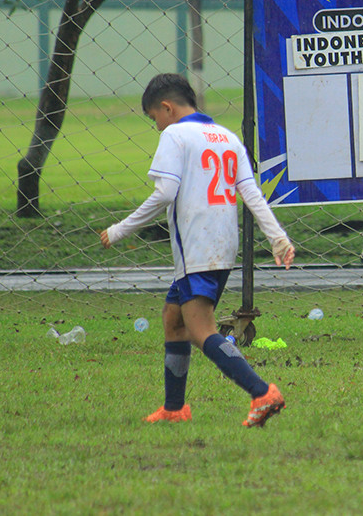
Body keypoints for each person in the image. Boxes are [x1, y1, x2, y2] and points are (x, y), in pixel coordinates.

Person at [100, 73, 294, 427]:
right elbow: (250, 193)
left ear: (167, 107)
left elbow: (164, 194)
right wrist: (277, 237)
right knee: (173, 321)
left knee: (200, 329)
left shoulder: (175, 134)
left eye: (153, 118)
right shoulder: (226, 136)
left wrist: (119, 229)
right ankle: (174, 409)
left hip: (196, 246)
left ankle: (262, 391)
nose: (156, 126)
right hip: (221, 243)